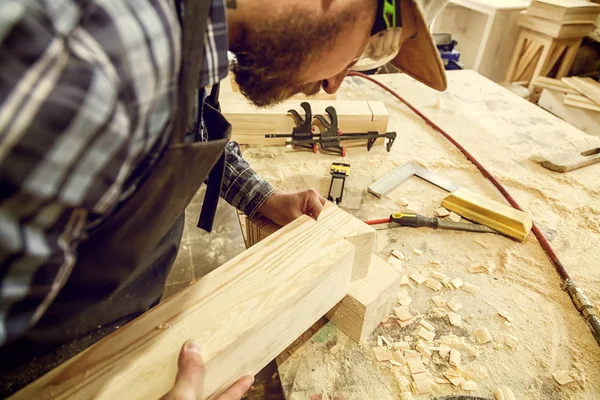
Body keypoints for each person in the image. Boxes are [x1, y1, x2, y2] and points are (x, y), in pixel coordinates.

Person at [0, 0, 447, 397]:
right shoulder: (91, 62)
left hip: (128, 327)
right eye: (368, 49)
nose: (334, 84)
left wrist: (260, 197)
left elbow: (183, 124)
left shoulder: (193, 32)